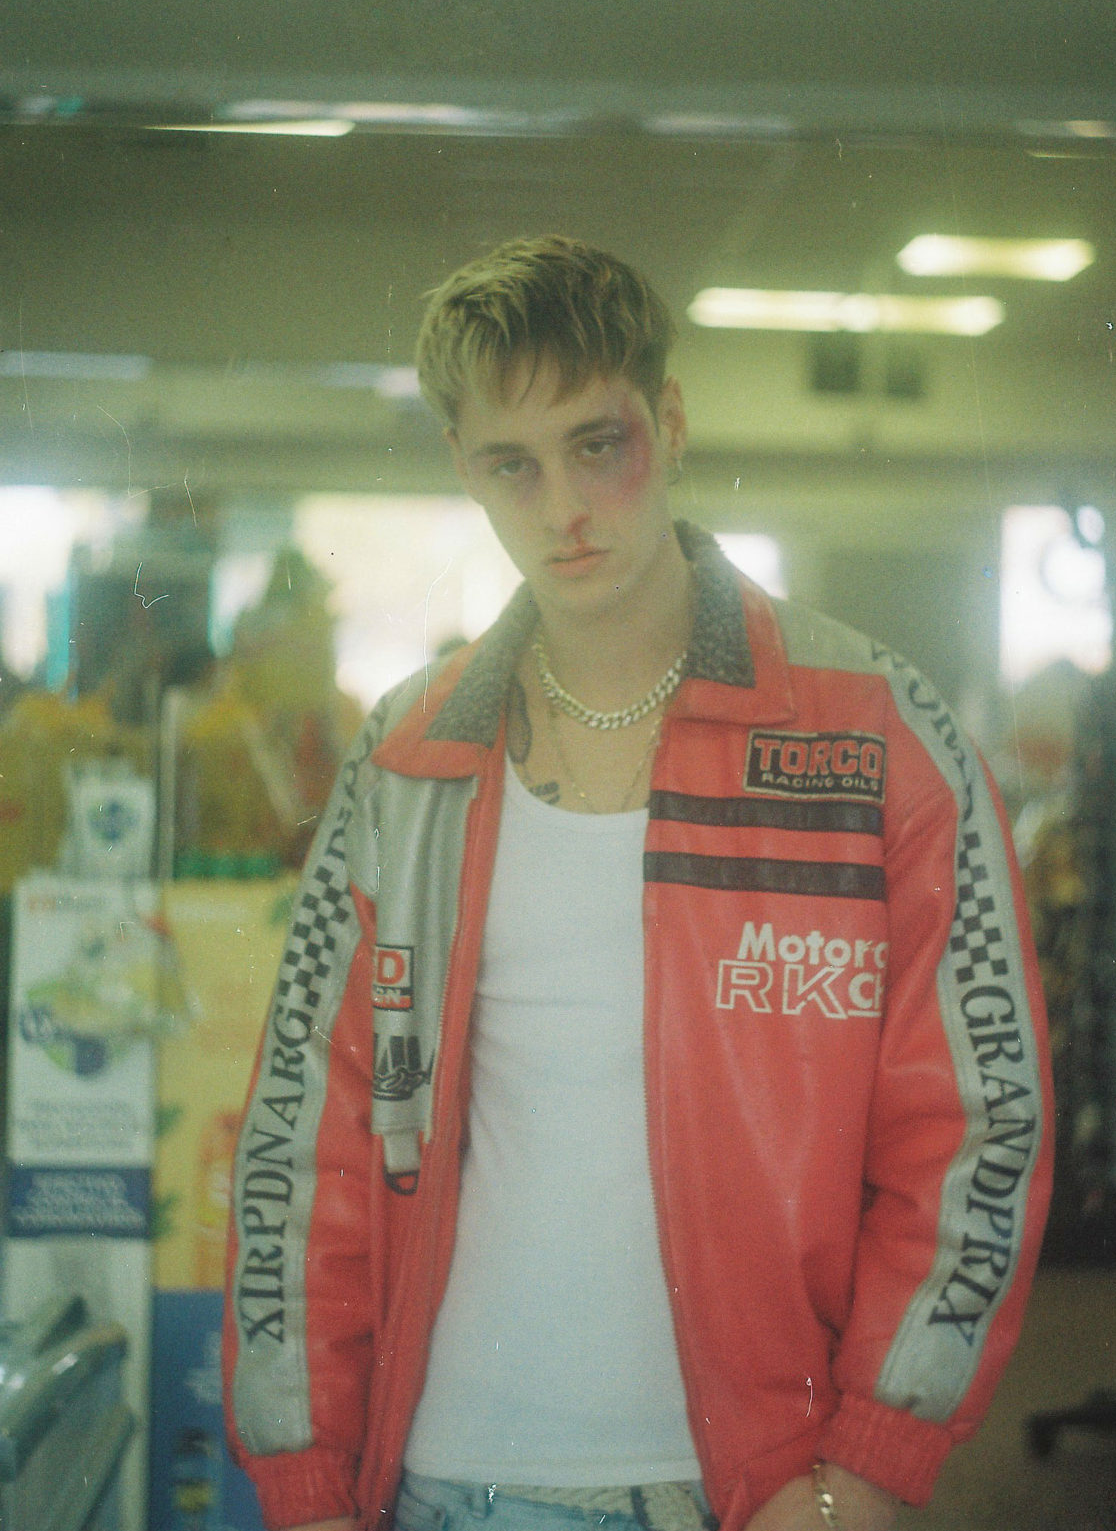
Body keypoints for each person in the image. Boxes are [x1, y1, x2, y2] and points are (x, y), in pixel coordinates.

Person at [223, 236, 1053, 1531]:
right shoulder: (408, 758)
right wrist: (308, 1481)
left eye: (596, 444)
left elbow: (978, 1126)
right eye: (514, 463)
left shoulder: (875, 731)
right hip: (437, 1478)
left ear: (668, 423)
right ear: (465, 467)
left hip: (743, 1489)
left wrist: (868, 1464)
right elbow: (305, 1144)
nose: (563, 505)